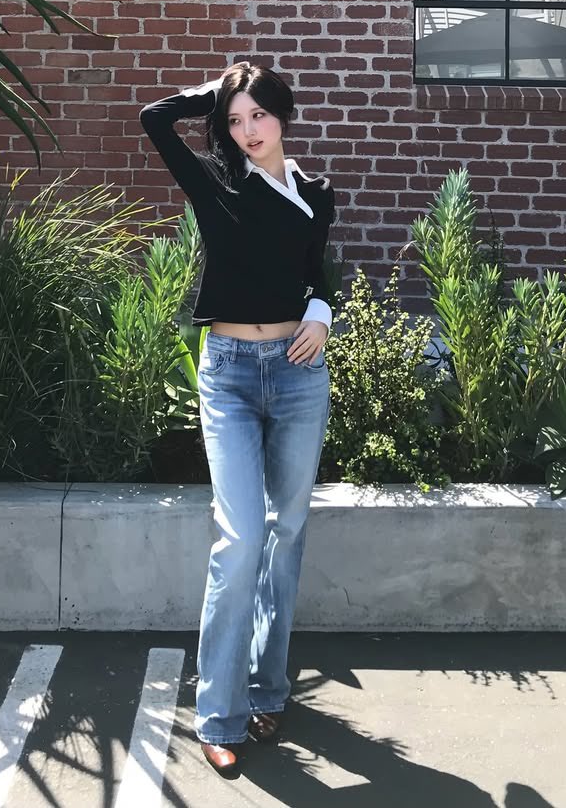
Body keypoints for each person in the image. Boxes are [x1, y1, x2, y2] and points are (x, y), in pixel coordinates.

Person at [139, 61, 337, 776]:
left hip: (298, 374)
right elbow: (154, 120)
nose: (249, 130)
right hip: (228, 374)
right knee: (242, 535)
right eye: (235, 120)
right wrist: (213, 92)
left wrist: (322, 311)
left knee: (286, 535)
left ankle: (268, 688)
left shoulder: (315, 192)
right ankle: (219, 713)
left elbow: (316, 270)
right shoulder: (216, 183)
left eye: (259, 114)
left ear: (283, 114)